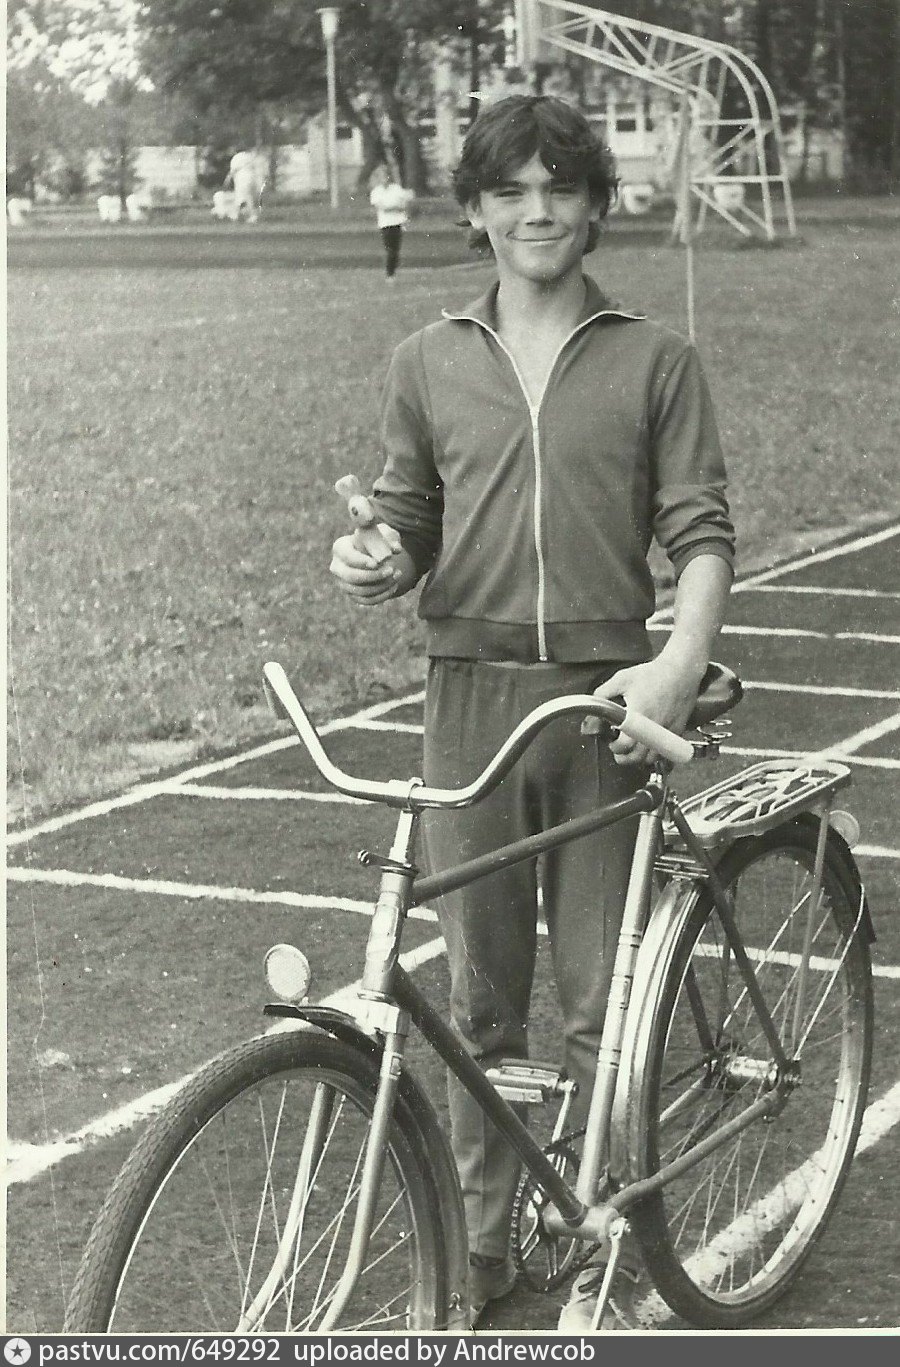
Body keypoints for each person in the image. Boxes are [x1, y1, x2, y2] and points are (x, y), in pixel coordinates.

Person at [329, 94, 735, 1332]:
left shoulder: (656, 357)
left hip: (607, 702)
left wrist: (676, 665)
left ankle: (600, 1222)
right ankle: (480, 1241)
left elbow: (702, 535)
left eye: (561, 186)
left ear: (598, 205)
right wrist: (379, 558)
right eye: (509, 190)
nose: (537, 209)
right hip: (472, 698)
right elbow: (408, 521)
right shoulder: (427, 359)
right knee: (481, 999)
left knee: (600, 993)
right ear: (473, 210)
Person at [368, 164, 415, 280]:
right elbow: (382, 207)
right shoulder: (376, 192)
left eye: (386, 176)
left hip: (397, 222)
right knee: (390, 250)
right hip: (385, 224)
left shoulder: (396, 189)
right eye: (382, 177)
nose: (384, 179)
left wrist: (403, 204)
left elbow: (408, 199)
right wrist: (396, 207)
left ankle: (392, 272)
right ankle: (390, 274)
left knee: (396, 250)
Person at [225, 149, 263, 223]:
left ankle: (250, 216)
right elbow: (257, 168)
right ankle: (238, 215)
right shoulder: (250, 156)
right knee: (248, 197)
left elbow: (233, 170)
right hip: (252, 177)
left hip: (241, 178)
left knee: (244, 198)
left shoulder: (237, 157)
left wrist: (227, 180)